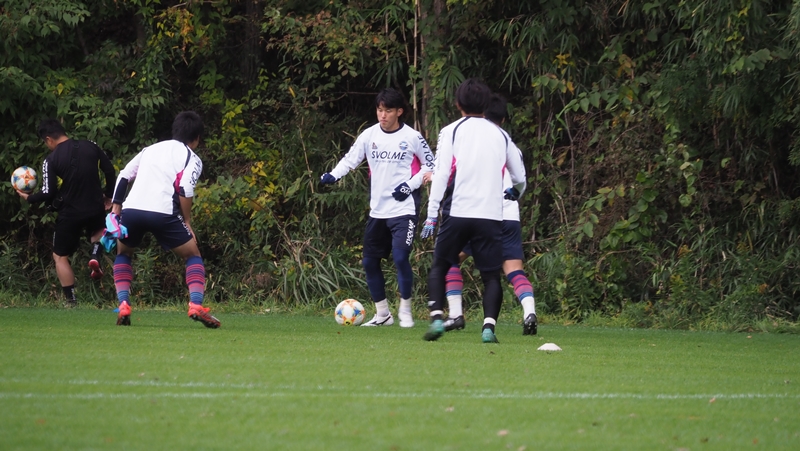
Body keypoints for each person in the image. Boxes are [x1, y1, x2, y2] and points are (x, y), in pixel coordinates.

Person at [420, 79, 526, 343]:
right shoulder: (501, 135)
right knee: (490, 276)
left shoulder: (451, 130)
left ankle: (437, 318)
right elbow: (520, 176)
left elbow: (441, 174)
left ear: (458, 104)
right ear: (486, 104)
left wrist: (431, 214)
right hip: (490, 216)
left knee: (440, 265)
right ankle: (488, 328)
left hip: (458, 212)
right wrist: (516, 192)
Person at [319, 88, 434, 327]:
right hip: (378, 211)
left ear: (399, 112)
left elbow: (431, 165)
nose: (383, 115)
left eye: (388, 111)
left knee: (400, 257)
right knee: (370, 262)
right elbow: (351, 159)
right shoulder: (369, 135)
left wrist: (409, 185)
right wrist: (333, 175)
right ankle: (383, 314)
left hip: (403, 210)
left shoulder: (412, 137)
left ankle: (405, 310)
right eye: (380, 110)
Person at [110, 111, 220, 328]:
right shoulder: (192, 158)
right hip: (164, 212)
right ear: (197, 138)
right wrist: (187, 221)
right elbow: (185, 188)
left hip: (132, 210)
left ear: (175, 130)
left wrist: (116, 209)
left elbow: (124, 175)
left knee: (123, 254)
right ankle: (196, 305)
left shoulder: (150, 149)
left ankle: (123, 304)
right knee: (192, 255)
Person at [440, 94, 538, 336]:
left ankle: (456, 314)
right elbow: (520, 180)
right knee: (513, 269)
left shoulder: (471, 140)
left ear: (482, 114)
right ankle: (529, 311)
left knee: (449, 258)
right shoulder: (509, 144)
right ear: (503, 119)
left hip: (481, 211)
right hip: (510, 214)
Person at [15, 119, 116, 307]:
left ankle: (71, 301)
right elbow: (109, 171)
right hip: (95, 206)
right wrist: (109, 195)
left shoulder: (51, 160)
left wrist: (30, 198)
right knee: (97, 233)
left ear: (48, 139)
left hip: (70, 213)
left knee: (60, 257)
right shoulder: (91, 145)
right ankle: (95, 255)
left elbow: (49, 192)